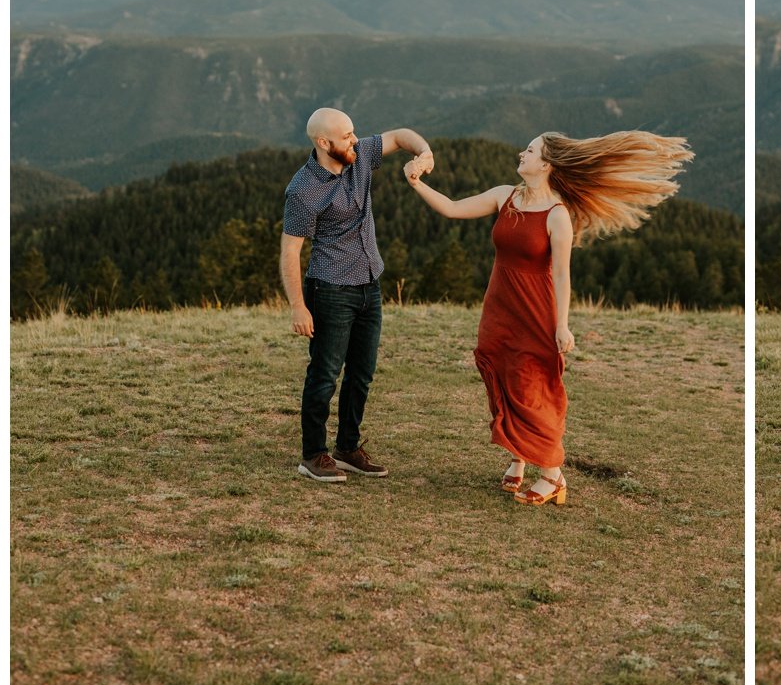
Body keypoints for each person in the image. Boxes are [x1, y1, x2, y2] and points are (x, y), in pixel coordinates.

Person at [405, 130, 691, 505]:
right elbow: (453, 207)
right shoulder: (504, 195)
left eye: (530, 150)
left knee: (531, 386)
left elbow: (561, 275)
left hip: (535, 310)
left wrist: (562, 324)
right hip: (499, 306)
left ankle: (553, 476)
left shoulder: (558, 216)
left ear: (546, 164)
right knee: (503, 378)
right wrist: (415, 182)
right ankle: (518, 455)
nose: (521, 153)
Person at [280, 107, 433, 483]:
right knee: (325, 375)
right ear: (323, 143)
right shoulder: (302, 190)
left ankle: (347, 448)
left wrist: (424, 153)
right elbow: (290, 251)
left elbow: (399, 134)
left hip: (370, 284)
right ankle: (313, 455)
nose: (354, 140)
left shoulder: (359, 155)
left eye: (353, 133)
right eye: (346, 136)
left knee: (361, 374)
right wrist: (298, 306)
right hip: (330, 289)